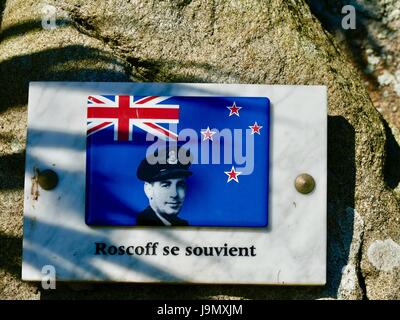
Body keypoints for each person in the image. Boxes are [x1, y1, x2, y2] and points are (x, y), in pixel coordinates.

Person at [136, 147, 192, 226]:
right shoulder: (138, 224)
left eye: (180, 185)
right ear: (148, 190)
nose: (174, 194)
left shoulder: (183, 225)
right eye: (165, 185)